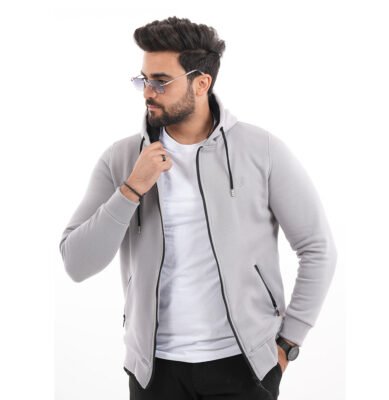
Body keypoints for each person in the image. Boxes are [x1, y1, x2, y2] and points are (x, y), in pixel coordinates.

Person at [59, 16, 338, 400]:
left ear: (201, 83)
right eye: (143, 80)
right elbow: (76, 263)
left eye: (161, 81)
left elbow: (317, 247)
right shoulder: (122, 159)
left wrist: (288, 344)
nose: (147, 92)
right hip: (154, 372)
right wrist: (131, 189)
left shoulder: (262, 151)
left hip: (245, 366)